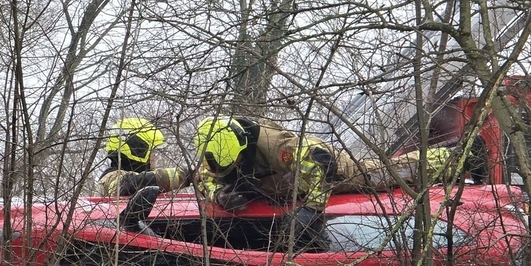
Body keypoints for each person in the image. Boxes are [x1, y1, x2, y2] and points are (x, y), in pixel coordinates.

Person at [193, 116, 456, 214]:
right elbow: (203, 178)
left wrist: (312, 209)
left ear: (243, 148)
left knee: (388, 174)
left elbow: (320, 160)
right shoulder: (215, 148)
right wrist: (220, 195)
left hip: (332, 171)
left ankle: (454, 158)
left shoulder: (275, 146)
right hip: (284, 189)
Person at [97, 117, 191, 197]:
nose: (154, 157)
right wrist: (184, 174)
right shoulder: (110, 179)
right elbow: (131, 184)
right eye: (152, 151)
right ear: (138, 150)